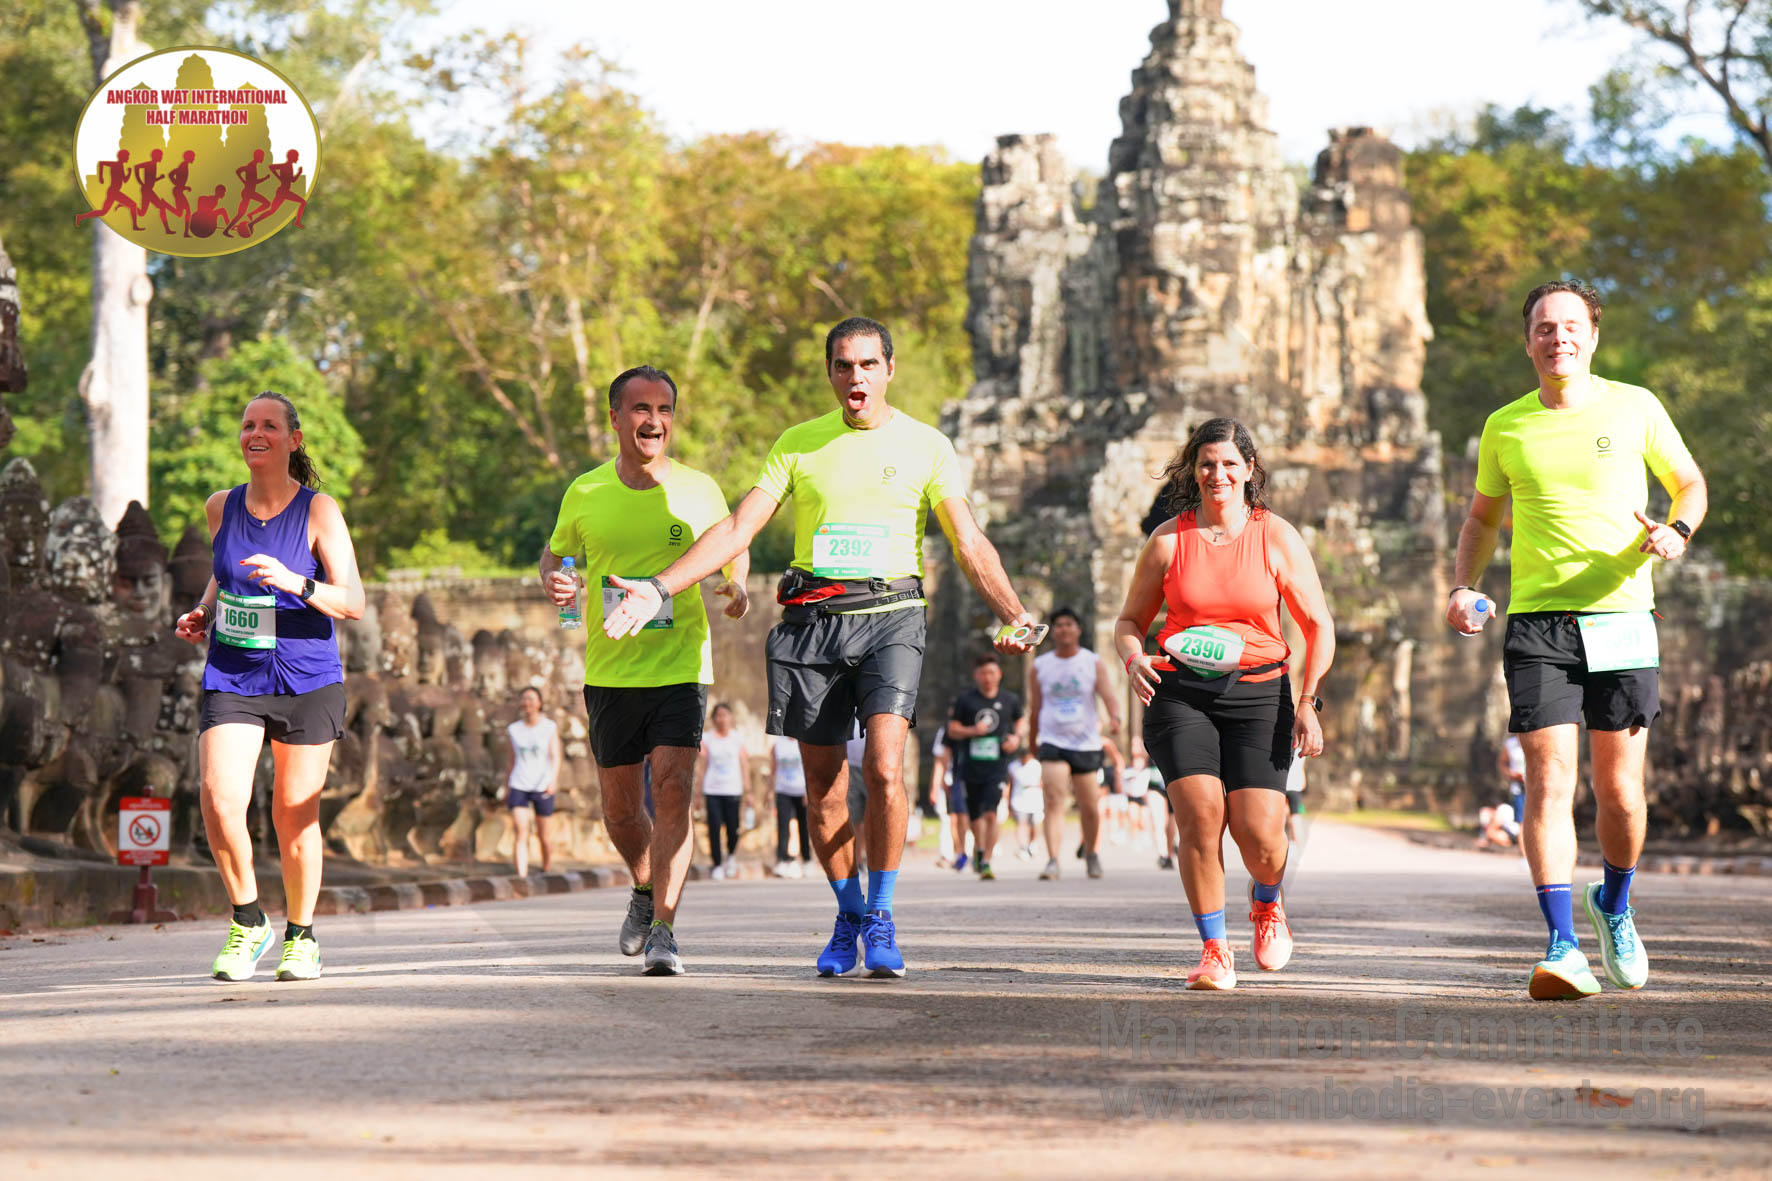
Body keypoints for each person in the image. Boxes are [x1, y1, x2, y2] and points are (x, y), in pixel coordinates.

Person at [604, 316, 1041, 979]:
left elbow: (968, 540)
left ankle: (883, 914)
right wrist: (659, 588)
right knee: (824, 791)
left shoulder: (928, 445)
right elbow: (739, 526)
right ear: (831, 373)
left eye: (868, 364)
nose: (856, 377)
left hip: (892, 612)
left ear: (889, 368)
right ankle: (848, 910)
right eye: (843, 365)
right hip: (814, 622)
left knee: (888, 768)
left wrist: (1014, 611)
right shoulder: (799, 444)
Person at [1447, 280, 1706, 1000]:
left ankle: (1614, 905)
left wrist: (1676, 532)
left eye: (1569, 325)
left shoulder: (1636, 406)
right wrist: (1461, 585)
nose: (1556, 336)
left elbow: (1689, 483)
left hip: (1623, 619)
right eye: (1542, 326)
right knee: (1549, 781)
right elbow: (1480, 520)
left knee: (1620, 794)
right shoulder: (1506, 426)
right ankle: (1562, 944)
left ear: (1592, 335)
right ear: (1527, 340)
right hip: (1538, 625)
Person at [541, 365, 750, 977]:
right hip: (610, 671)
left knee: (674, 790)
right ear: (615, 418)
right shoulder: (584, 491)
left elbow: (733, 541)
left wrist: (736, 586)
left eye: (663, 409)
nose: (652, 421)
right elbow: (557, 553)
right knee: (621, 810)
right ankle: (641, 886)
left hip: (682, 664)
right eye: (639, 409)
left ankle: (665, 929)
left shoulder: (699, 488)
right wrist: (557, 582)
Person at [1115, 417, 1335, 991]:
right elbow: (1129, 622)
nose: (1218, 474)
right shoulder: (1168, 539)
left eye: (1230, 464)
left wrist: (1309, 700)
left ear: (1249, 471)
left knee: (1261, 838)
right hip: (1181, 693)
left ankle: (1267, 900)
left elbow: (1318, 626)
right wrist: (1134, 656)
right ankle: (1215, 949)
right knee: (1199, 819)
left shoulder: (1276, 536)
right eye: (1208, 464)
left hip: (1261, 693)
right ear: (1194, 470)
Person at [173, 390, 365, 982]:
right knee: (219, 797)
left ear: (293, 440)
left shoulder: (318, 511)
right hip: (235, 670)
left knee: (293, 813)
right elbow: (222, 572)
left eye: (270, 426)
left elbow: (353, 601)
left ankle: (301, 936)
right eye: (248, 425)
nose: (256, 434)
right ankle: (248, 919)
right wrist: (204, 611)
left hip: (307, 676)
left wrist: (295, 582)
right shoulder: (220, 506)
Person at [1029, 608, 1124, 880]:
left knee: (1089, 806)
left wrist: (1115, 717)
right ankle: (1052, 860)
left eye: (1069, 624)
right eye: (1058, 625)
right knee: (1053, 800)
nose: (1063, 630)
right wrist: (1032, 744)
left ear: (1078, 629)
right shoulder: (1041, 665)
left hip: (1085, 743)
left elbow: (1108, 694)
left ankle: (1092, 854)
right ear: (1053, 631)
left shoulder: (1091, 661)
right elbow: (1035, 708)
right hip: (1052, 740)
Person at [946, 653, 1024, 881]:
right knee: (975, 814)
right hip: (971, 765)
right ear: (976, 675)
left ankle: (987, 859)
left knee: (991, 812)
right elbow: (952, 729)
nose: (987, 678)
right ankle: (979, 848)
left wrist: (1016, 738)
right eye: (982, 673)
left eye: (991, 673)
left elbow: (1019, 720)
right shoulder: (965, 700)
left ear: (999, 674)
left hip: (998, 765)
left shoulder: (1010, 700)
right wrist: (973, 731)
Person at [503, 686, 562, 876]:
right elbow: (511, 760)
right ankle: (521, 875)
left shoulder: (549, 727)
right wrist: (506, 786)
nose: (527, 702)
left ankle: (546, 868)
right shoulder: (514, 729)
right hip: (519, 783)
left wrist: (553, 780)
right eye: (524, 699)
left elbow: (555, 756)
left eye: (531, 698)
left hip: (542, 785)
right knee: (521, 832)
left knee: (543, 835)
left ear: (539, 703)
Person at [697, 702, 749, 880]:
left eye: (725, 715)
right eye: (718, 715)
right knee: (714, 827)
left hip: (733, 789)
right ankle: (717, 864)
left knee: (733, 828)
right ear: (713, 719)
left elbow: (744, 765)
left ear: (731, 717)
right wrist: (698, 793)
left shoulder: (737, 738)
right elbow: (702, 766)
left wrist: (748, 791)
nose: (722, 719)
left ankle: (731, 856)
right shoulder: (707, 738)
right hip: (712, 789)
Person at [771, 734, 811, 878]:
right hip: (783, 790)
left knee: (804, 826)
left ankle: (806, 859)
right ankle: (782, 860)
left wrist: (809, 791)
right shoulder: (778, 744)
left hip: (801, 791)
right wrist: (769, 791)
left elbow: (809, 768)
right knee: (783, 826)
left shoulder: (804, 741)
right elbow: (773, 768)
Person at [1476, 735, 1524, 850]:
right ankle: (1525, 855)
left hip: (1535, 784)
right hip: (1519, 787)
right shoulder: (1511, 744)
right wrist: (1510, 774)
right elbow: (1502, 763)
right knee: (1522, 822)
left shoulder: (1536, 737)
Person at [1008, 748, 1044, 860]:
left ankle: (1032, 844)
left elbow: (1045, 781)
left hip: (1035, 800)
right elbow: (1010, 783)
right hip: (1018, 800)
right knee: (1021, 823)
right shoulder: (1013, 766)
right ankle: (1022, 847)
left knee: (1035, 824)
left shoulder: (1037, 765)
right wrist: (1008, 800)